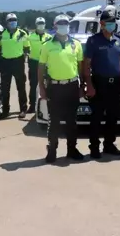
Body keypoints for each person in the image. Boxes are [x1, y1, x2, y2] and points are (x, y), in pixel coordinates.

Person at [38, 15, 84, 163]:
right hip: (54, 87)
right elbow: (40, 68)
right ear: (55, 26)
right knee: (54, 121)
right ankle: (52, 150)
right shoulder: (47, 45)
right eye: (60, 23)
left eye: (66, 23)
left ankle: (72, 149)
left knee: (72, 121)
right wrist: (42, 89)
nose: (64, 26)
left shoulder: (76, 44)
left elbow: (81, 66)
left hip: (72, 86)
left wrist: (82, 85)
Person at [84, 11, 120, 158]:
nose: (112, 25)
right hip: (99, 83)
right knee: (96, 117)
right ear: (101, 24)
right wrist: (89, 85)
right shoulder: (93, 41)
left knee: (112, 117)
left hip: (114, 84)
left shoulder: (119, 40)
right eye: (108, 22)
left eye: (113, 22)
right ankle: (94, 147)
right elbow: (86, 65)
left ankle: (109, 144)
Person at [0, 13, 30, 119]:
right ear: (6, 22)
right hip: (5, 63)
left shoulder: (22, 33)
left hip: (18, 63)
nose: (12, 22)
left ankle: (23, 109)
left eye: (14, 20)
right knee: (5, 89)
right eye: (10, 20)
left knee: (21, 87)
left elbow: (27, 48)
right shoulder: (1, 34)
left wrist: (23, 57)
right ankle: (5, 111)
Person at [27, 17, 52, 113]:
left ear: (45, 24)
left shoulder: (49, 37)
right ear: (36, 24)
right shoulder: (30, 36)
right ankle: (32, 105)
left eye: (42, 23)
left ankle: (47, 104)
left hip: (46, 64)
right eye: (39, 23)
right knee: (33, 85)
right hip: (34, 63)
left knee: (47, 84)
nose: (41, 24)